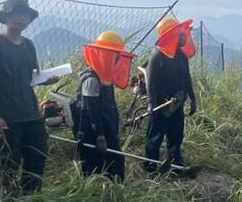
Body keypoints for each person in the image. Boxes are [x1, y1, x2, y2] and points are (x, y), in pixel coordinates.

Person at [0, 0, 52, 193]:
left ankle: (31, 198)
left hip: (31, 113)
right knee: (8, 162)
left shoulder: (28, 45)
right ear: (6, 17)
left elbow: (30, 78)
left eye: (25, 15)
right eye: (16, 14)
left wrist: (48, 79)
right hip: (7, 116)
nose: (21, 18)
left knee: (37, 157)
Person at [75, 31, 135, 180]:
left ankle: (115, 193)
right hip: (92, 133)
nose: (116, 59)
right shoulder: (91, 79)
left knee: (115, 164)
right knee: (94, 167)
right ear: (103, 55)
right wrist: (100, 136)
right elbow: (92, 109)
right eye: (113, 55)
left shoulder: (105, 76)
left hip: (107, 129)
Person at [144, 17, 197, 174]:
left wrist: (193, 98)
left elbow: (187, 78)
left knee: (176, 133)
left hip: (177, 102)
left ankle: (176, 163)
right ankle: (150, 168)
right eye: (181, 34)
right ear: (172, 36)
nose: (184, 37)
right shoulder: (157, 57)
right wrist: (151, 104)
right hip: (161, 104)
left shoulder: (181, 56)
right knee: (155, 136)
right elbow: (151, 84)